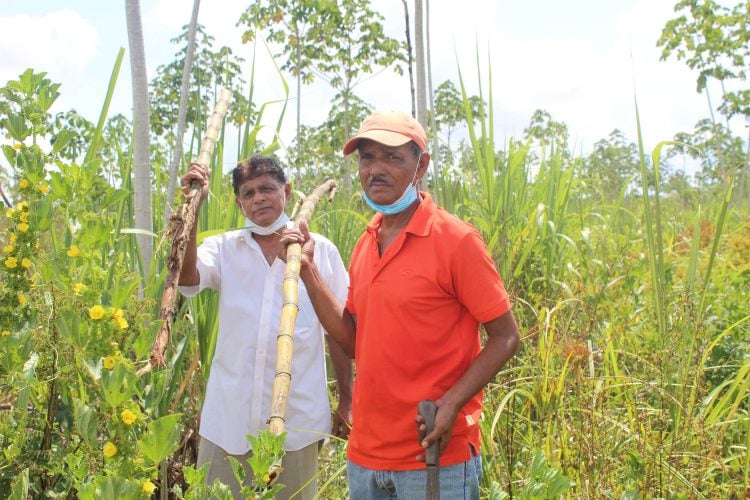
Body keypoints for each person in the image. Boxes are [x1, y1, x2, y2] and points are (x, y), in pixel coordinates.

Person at [280, 110, 520, 499]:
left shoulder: (455, 241)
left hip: (435, 456)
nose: (376, 169)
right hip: (366, 455)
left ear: (420, 165)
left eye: (392, 157)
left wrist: (453, 402)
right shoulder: (366, 241)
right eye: (367, 157)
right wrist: (307, 270)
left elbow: (507, 336)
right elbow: (354, 341)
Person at [178, 155, 352, 499]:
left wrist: (347, 400)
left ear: (286, 191)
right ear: (238, 202)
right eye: (248, 192)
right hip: (229, 420)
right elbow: (187, 278)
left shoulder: (320, 251)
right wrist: (193, 209)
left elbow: (339, 331)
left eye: (267, 189)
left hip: (297, 421)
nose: (258, 198)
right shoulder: (225, 249)